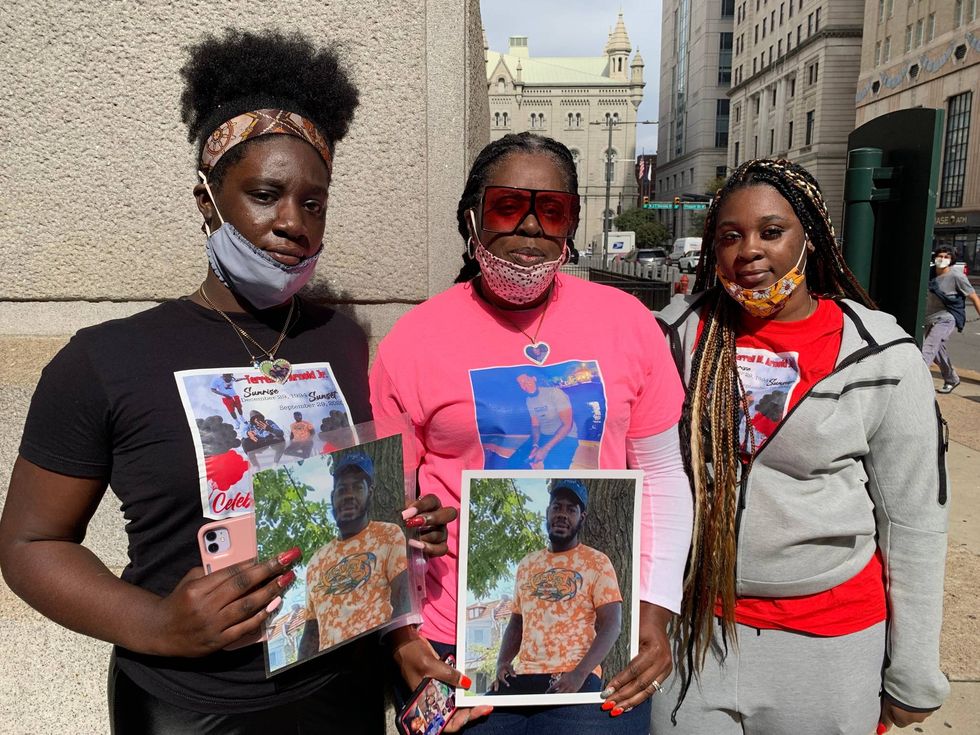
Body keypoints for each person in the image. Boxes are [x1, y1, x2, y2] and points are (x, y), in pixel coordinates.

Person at [0, 29, 465, 734]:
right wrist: (157, 621)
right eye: (266, 193)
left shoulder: (338, 340)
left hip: (339, 679)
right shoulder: (103, 359)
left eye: (315, 202)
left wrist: (399, 526)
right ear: (207, 199)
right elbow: (29, 545)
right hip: (186, 701)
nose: (293, 223)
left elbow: (334, 501)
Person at [370, 132, 694, 733]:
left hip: (599, 656)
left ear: (570, 224)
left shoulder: (629, 323)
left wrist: (655, 615)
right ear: (472, 217)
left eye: (552, 210)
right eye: (506, 205)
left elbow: (664, 479)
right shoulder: (411, 342)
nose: (530, 227)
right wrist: (401, 636)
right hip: (454, 643)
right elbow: (386, 506)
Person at [653, 158, 949, 734]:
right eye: (729, 236)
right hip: (691, 633)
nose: (749, 251)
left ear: (809, 238)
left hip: (829, 642)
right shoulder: (673, 336)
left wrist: (913, 667)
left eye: (771, 231)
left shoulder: (882, 355)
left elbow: (913, 519)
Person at [491, 480, 622, 696]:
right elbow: (517, 622)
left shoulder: (597, 562)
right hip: (524, 675)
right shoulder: (527, 564)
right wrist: (502, 662)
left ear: (582, 517)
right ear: (547, 512)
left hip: (575, 674)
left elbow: (612, 625)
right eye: (557, 507)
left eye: (571, 509)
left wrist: (579, 674)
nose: (562, 514)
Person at [299, 452, 411, 654]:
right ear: (333, 497)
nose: (349, 495)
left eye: (358, 487)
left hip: (378, 662)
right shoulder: (316, 561)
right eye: (342, 489)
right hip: (331, 676)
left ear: (371, 492)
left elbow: (403, 603)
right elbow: (311, 632)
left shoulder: (388, 535)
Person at [922, 245, 980, 393]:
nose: (942, 259)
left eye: (946, 257)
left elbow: (973, 297)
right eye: (940, 256)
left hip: (948, 316)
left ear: (952, 260)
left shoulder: (957, 276)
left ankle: (917, 378)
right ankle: (952, 379)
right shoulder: (928, 273)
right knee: (938, 352)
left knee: (928, 347)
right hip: (930, 318)